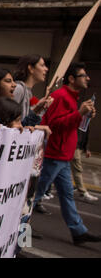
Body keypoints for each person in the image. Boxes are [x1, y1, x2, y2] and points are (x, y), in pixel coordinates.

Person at [33, 63, 101, 245]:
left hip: (62, 156)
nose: (87, 78)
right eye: (83, 75)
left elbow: (69, 123)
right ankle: (17, 226)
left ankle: (78, 231)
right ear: (72, 79)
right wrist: (79, 113)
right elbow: (53, 125)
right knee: (36, 192)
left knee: (66, 195)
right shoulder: (61, 96)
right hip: (55, 154)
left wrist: (83, 115)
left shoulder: (70, 98)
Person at [13, 54, 53, 126]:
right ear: (31, 68)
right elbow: (11, 121)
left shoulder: (28, 92)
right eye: (42, 65)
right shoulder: (19, 89)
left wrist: (40, 109)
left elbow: (26, 122)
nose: (46, 69)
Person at [71, 126, 98, 202]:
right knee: (77, 169)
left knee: (62, 168)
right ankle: (83, 192)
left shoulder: (87, 120)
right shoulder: (78, 117)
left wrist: (86, 149)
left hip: (79, 147)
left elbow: (86, 134)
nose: (93, 114)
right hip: (74, 147)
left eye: (94, 113)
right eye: (92, 112)